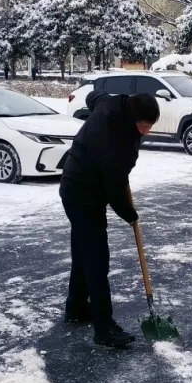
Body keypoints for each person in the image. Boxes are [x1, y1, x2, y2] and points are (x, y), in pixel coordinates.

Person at [59, 92, 161, 348]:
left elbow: (93, 96)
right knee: (96, 261)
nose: (146, 133)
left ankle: (77, 307)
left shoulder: (113, 102)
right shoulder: (119, 143)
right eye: (144, 127)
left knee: (83, 253)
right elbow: (114, 189)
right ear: (132, 119)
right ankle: (104, 329)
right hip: (85, 195)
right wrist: (130, 214)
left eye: (150, 126)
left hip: (73, 184)